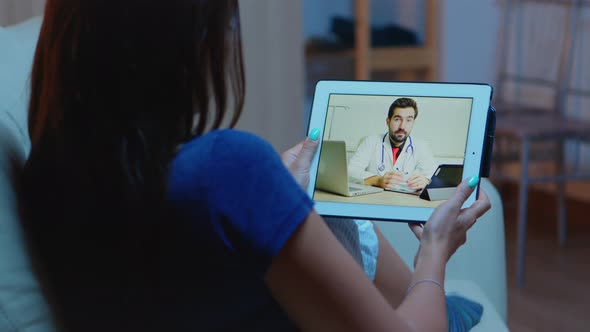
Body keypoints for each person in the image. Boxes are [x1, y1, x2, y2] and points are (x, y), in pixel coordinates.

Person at [18, 1, 491, 331]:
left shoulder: (49, 175)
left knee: (327, 197)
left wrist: (273, 200)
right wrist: (434, 249)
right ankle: (443, 312)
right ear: (181, 42)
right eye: (226, 25)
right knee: (340, 207)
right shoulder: (226, 168)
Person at [349, 97, 438, 192]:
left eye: (408, 120)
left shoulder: (421, 146)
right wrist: (377, 180)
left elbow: (435, 177)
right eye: (397, 119)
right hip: (375, 199)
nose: (402, 126)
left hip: (406, 201)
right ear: (388, 121)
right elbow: (350, 172)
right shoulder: (371, 141)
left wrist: (426, 181)